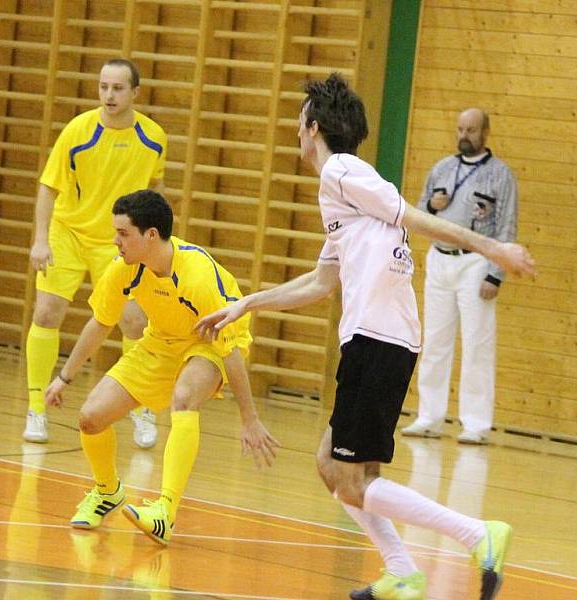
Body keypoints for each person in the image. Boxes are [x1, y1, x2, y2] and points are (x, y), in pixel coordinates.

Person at [194, 74, 535, 600]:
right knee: (333, 465)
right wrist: (247, 303)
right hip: (380, 338)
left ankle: (477, 534)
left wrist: (494, 251)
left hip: (378, 339)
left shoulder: (341, 171)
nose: (295, 126)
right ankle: (401, 570)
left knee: (349, 479)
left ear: (312, 126)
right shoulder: (342, 192)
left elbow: (416, 218)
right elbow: (321, 281)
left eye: (300, 117)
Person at [45, 190, 279, 545]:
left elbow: (230, 352)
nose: (115, 241)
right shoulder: (123, 269)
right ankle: (108, 491)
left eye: (123, 234)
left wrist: (249, 417)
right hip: (161, 342)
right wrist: (64, 377)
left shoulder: (198, 276)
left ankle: (165, 512)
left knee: (184, 398)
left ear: (150, 235)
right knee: (90, 418)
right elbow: (100, 322)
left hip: (208, 341)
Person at [25, 58, 164, 448]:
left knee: (135, 323)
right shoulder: (78, 131)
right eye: (103, 87)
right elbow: (48, 187)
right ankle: (37, 407)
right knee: (47, 312)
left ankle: (142, 409)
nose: (109, 95)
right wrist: (41, 239)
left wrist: (155, 244)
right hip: (68, 233)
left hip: (117, 242)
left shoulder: (153, 137)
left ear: (135, 93)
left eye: (118, 88)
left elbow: (154, 193)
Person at [401, 108, 517, 445]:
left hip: (476, 263)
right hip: (440, 259)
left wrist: (496, 274)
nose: (464, 135)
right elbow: (417, 215)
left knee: (477, 342)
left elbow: (506, 224)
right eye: (460, 129)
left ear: (485, 133)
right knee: (435, 339)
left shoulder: (500, 175)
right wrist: (433, 207)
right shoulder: (442, 168)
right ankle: (429, 416)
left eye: (471, 130)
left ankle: (476, 423)